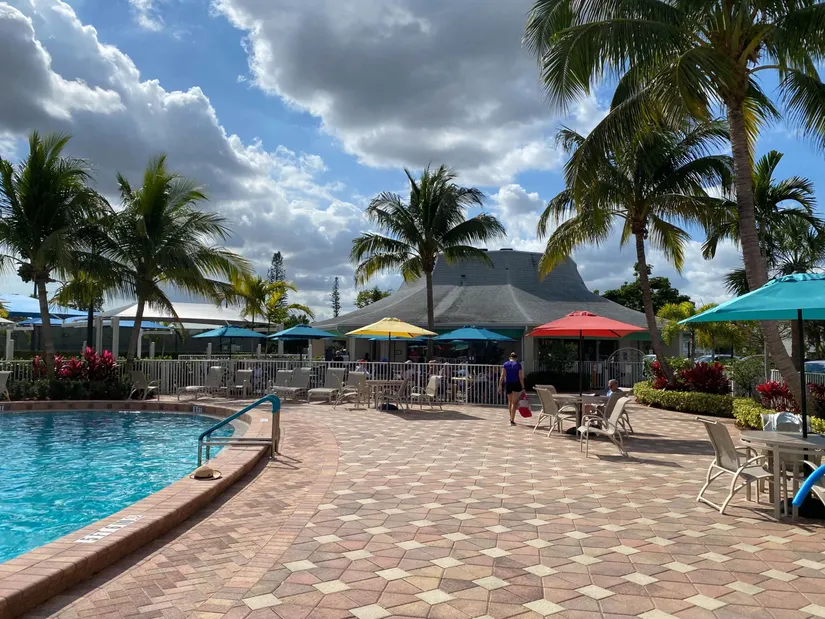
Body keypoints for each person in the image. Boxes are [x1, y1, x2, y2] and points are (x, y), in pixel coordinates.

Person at [499, 352, 525, 426]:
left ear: (509, 357)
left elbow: (502, 375)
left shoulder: (505, 364)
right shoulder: (518, 365)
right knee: (514, 402)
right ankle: (512, 420)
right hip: (516, 384)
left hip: (508, 384)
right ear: (516, 358)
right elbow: (520, 377)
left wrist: (500, 385)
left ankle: (511, 417)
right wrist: (523, 387)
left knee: (510, 401)